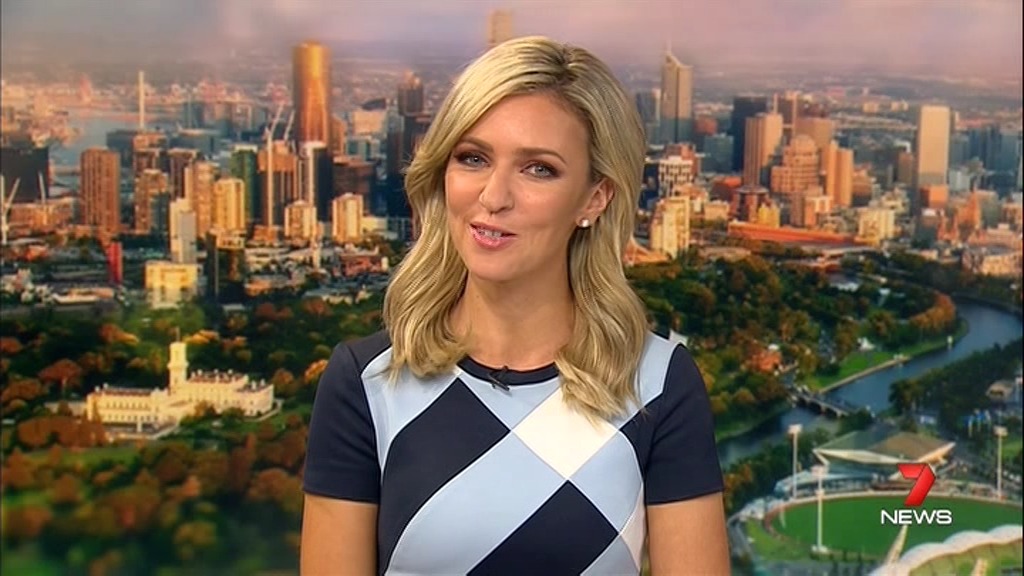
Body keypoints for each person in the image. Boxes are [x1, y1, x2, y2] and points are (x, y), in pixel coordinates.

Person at [301, 35, 729, 576]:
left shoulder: (658, 385)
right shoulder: (366, 384)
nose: (493, 196)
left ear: (595, 197)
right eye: (473, 158)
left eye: (538, 169)